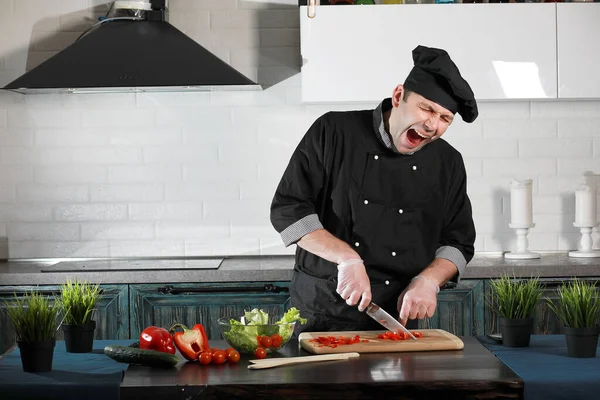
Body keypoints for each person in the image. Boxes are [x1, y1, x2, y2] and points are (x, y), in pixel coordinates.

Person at [270, 45, 478, 334]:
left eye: (445, 118)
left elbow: (458, 242)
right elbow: (289, 210)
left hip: (398, 320)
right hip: (322, 315)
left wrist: (430, 280)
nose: (432, 125)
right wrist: (347, 258)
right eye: (427, 108)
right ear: (397, 97)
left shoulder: (448, 162)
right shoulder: (333, 132)